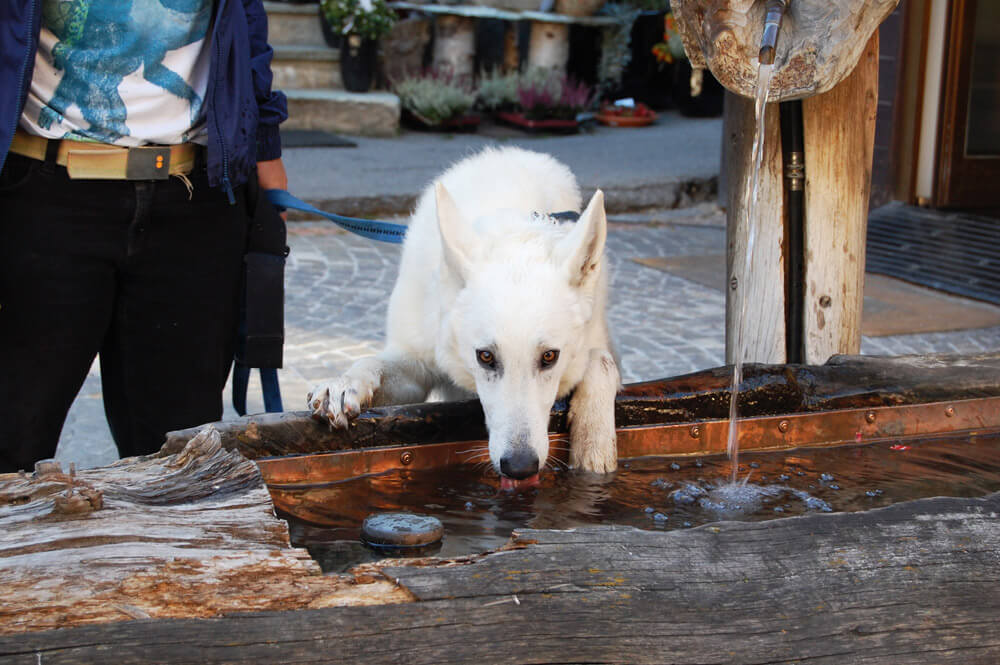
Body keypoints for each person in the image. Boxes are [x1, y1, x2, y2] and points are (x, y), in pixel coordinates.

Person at [0, 0, 289, 472]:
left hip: (194, 198)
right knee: (11, 438)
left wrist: (265, 153)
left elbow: (245, 24)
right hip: (40, 195)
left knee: (177, 455)